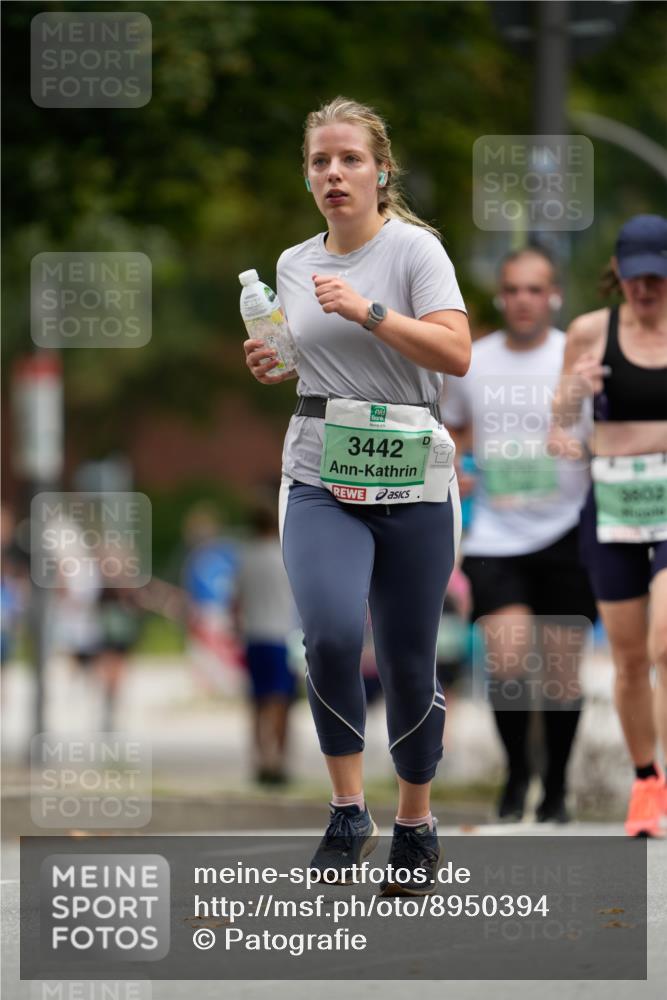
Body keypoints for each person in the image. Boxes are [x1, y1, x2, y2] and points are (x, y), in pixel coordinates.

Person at [243, 96, 470, 895]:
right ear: (307, 177)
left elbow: (456, 353)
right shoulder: (293, 264)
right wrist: (277, 365)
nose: (333, 174)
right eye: (319, 162)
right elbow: (308, 362)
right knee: (333, 635)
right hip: (317, 471)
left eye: (348, 160)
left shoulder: (415, 251)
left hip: (410, 472)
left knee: (408, 657)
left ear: (380, 172)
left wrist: (372, 311)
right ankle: (347, 811)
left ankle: (415, 820)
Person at [442, 247, 597, 823]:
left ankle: (556, 787)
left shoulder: (573, 358)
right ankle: (516, 773)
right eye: (513, 289)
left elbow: (606, 431)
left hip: (567, 532)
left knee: (559, 673)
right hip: (497, 536)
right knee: (506, 661)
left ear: (553, 295)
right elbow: (454, 428)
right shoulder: (474, 360)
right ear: (500, 297)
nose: (524, 300)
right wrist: (455, 463)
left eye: (535, 289)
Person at [553, 214, 667, 837]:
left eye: (658, 277)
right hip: (616, 501)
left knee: (665, 644)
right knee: (627, 659)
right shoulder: (591, 331)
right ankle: (647, 781)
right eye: (636, 276)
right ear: (618, 272)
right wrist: (576, 389)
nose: (646, 289)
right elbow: (559, 427)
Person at [234, 499, 298, 786]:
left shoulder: (245, 558)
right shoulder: (285, 556)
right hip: (282, 635)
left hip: (254, 635)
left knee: (258, 703)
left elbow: (235, 602)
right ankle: (279, 760)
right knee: (281, 702)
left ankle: (260, 759)